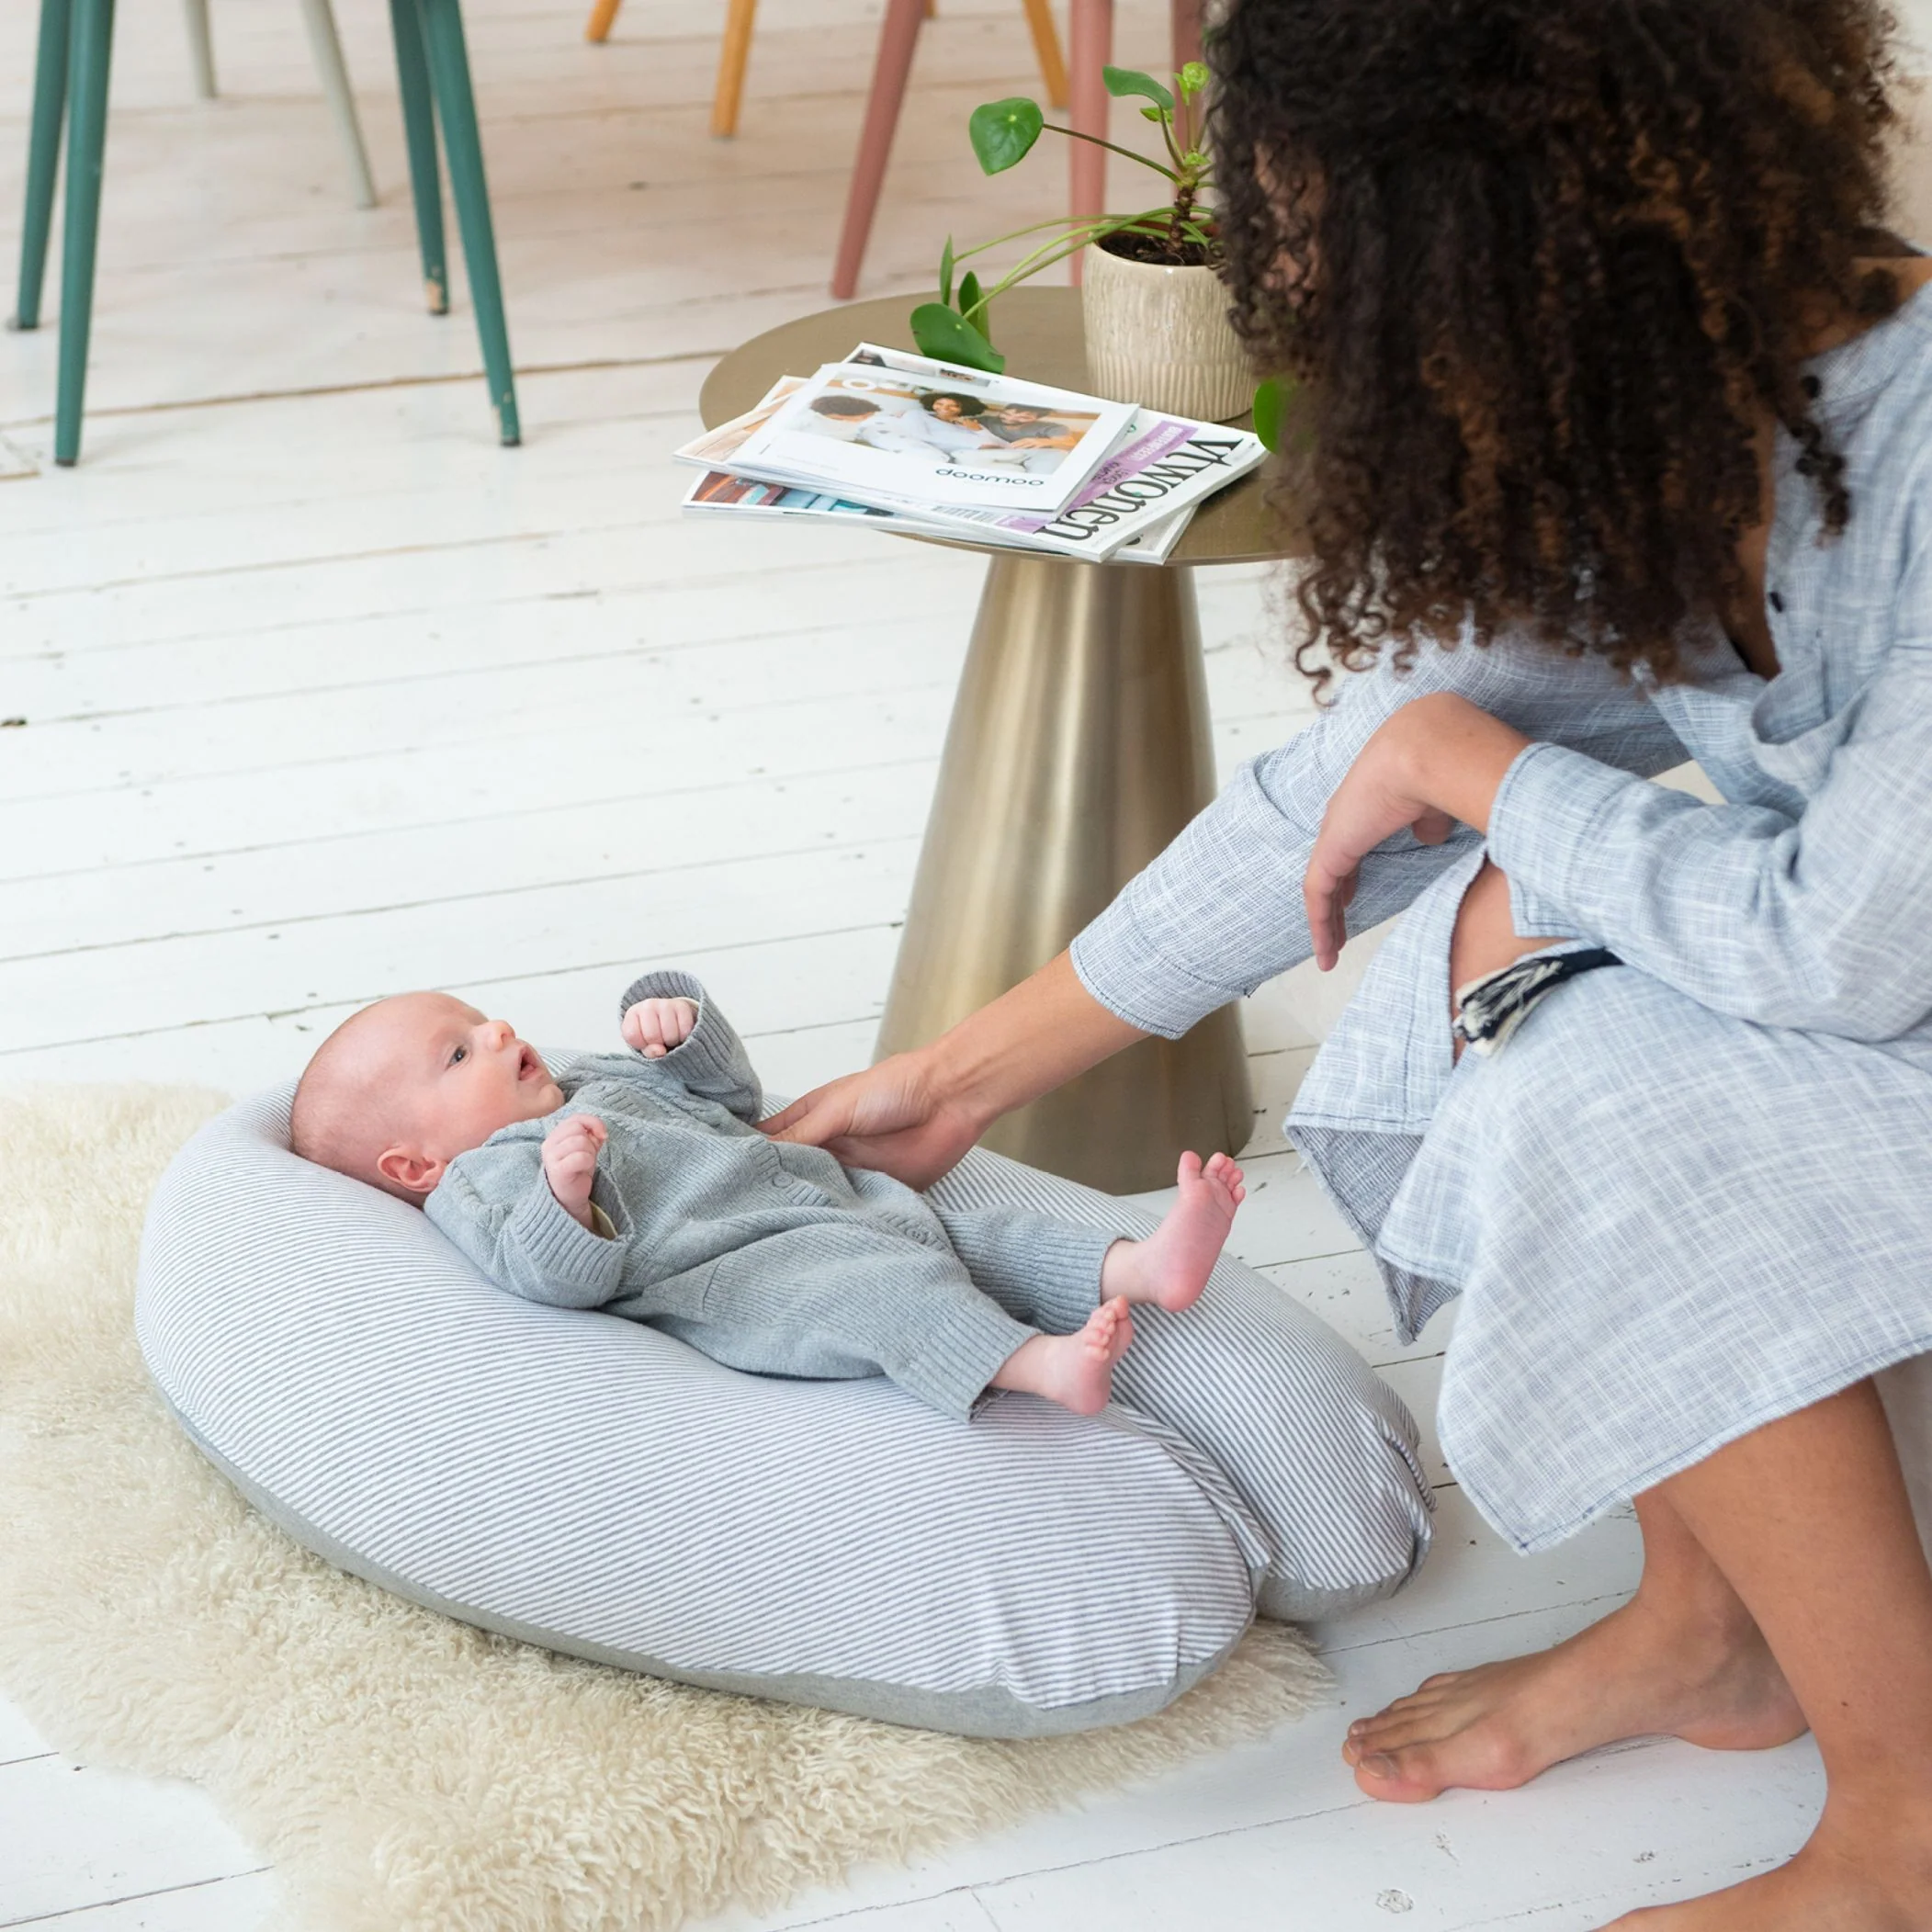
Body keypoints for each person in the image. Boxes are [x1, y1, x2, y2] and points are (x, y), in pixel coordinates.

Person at [760, 1, 1932, 1924]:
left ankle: (1902, 1836)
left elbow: (1837, 947)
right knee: (1501, 948)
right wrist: (952, 1080)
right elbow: (1342, 789)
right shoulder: (1680, 413)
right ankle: (1710, 1631)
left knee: (1591, 1051)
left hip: (1878, 973)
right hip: (1874, 972)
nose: (1309, 310)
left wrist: (1478, 768)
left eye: (1348, 267)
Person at [287, 970, 1246, 1422]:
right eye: (459, 1054)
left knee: (977, 1235)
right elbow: (547, 1276)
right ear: (413, 1166)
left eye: (479, 1019)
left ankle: (1142, 1264)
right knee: (889, 1294)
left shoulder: (588, 1084)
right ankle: (1038, 1364)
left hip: (823, 1195)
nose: (497, 1032)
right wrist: (564, 1197)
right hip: (747, 1279)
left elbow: (731, 1103)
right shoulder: (483, 1181)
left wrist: (683, 1036)